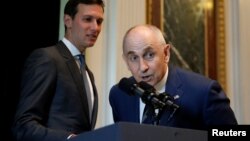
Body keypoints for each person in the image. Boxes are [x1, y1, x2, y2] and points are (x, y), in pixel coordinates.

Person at [109, 24, 238, 130]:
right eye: (134, 58)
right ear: (126, 61)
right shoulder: (119, 95)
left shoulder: (204, 92)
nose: (142, 67)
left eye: (149, 55)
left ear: (166, 53)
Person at [12, 0, 104, 141]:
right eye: (88, 19)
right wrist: (68, 138)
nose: (95, 27)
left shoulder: (88, 74)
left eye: (99, 21)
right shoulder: (47, 58)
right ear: (68, 20)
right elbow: (24, 125)